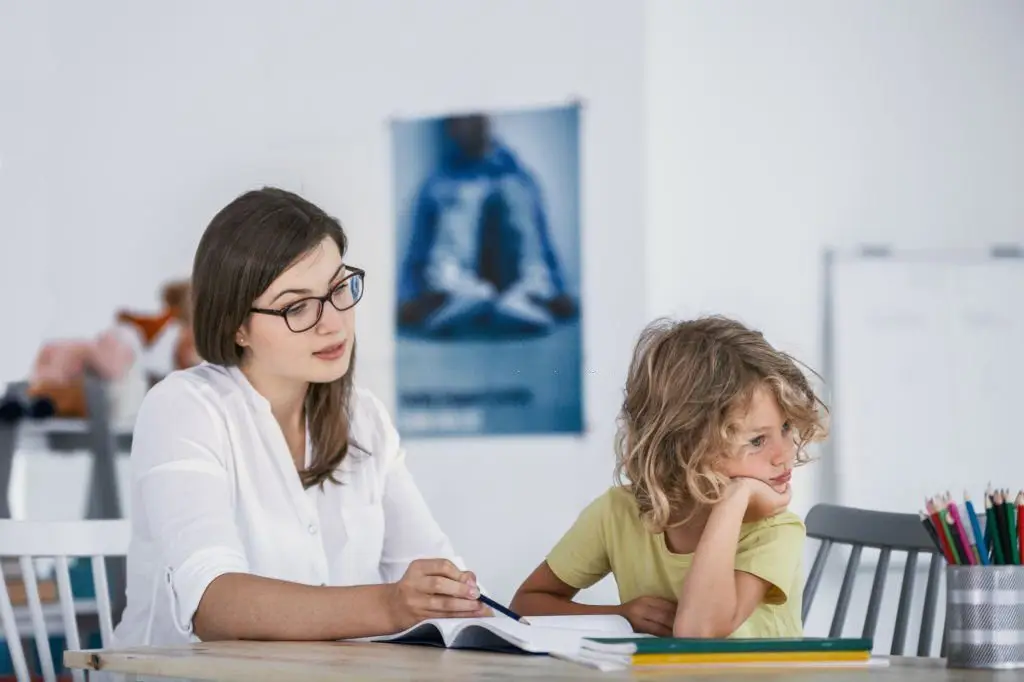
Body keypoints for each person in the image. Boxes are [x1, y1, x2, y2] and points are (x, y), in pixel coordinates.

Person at [114, 187, 489, 646]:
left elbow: (432, 567)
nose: (332, 322)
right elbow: (212, 603)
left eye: (337, 290)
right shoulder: (184, 408)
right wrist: (390, 605)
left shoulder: (363, 417)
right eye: (297, 306)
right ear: (237, 326)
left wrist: (449, 595)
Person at [510, 316, 829, 639]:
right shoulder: (618, 513)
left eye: (786, 428)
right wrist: (620, 615)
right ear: (686, 445)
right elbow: (525, 604)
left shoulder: (775, 530)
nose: (784, 454)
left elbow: (700, 633)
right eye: (757, 441)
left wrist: (735, 499)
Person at [397, 114, 577, 338]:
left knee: (513, 191)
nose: (471, 123)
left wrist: (559, 289)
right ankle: (453, 295)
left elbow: (541, 240)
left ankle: (530, 294)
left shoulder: (518, 176)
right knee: (462, 194)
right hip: (464, 284)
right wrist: (408, 297)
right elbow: (420, 245)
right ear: (450, 128)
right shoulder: (440, 181)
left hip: (511, 281)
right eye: (461, 119)